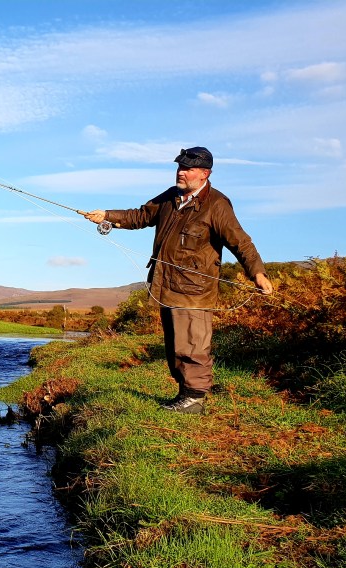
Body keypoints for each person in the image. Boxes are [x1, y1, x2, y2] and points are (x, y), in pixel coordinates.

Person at [83, 147, 273, 414]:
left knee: (193, 345)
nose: (181, 172)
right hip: (166, 285)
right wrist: (107, 216)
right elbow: (141, 216)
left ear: (205, 173)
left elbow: (241, 242)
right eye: (179, 167)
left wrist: (258, 273)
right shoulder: (171, 197)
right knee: (175, 345)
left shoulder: (217, 204)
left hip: (195, 290)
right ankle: (185, 394)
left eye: (188, 169)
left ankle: (194, 398)